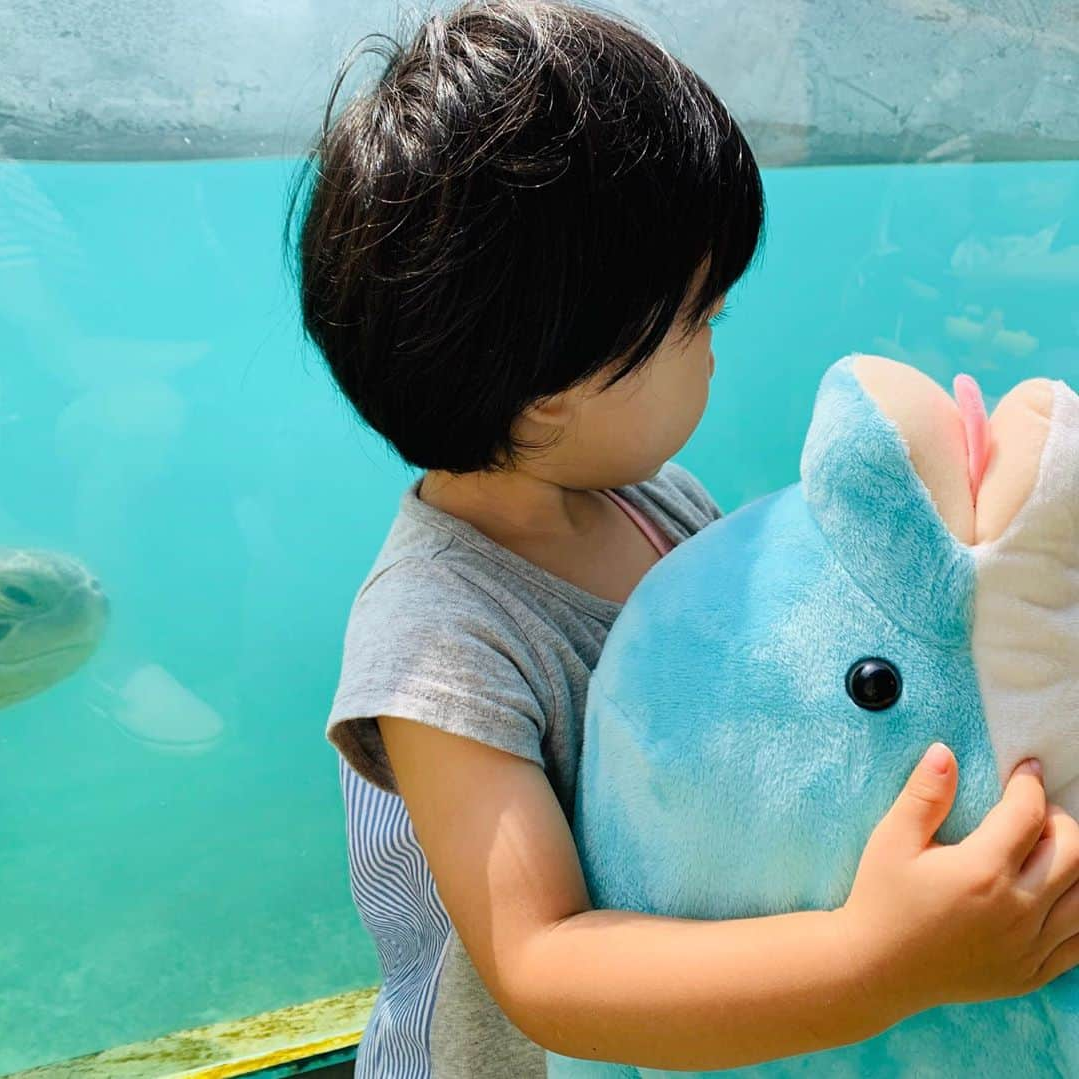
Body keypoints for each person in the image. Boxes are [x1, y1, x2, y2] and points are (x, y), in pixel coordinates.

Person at [283, 2, 1079, 1076]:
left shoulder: (648, 497)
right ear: (550, 394)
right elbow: (544, 964)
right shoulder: (437, 640)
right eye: (697, 315)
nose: (716, 345)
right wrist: (880, 957)